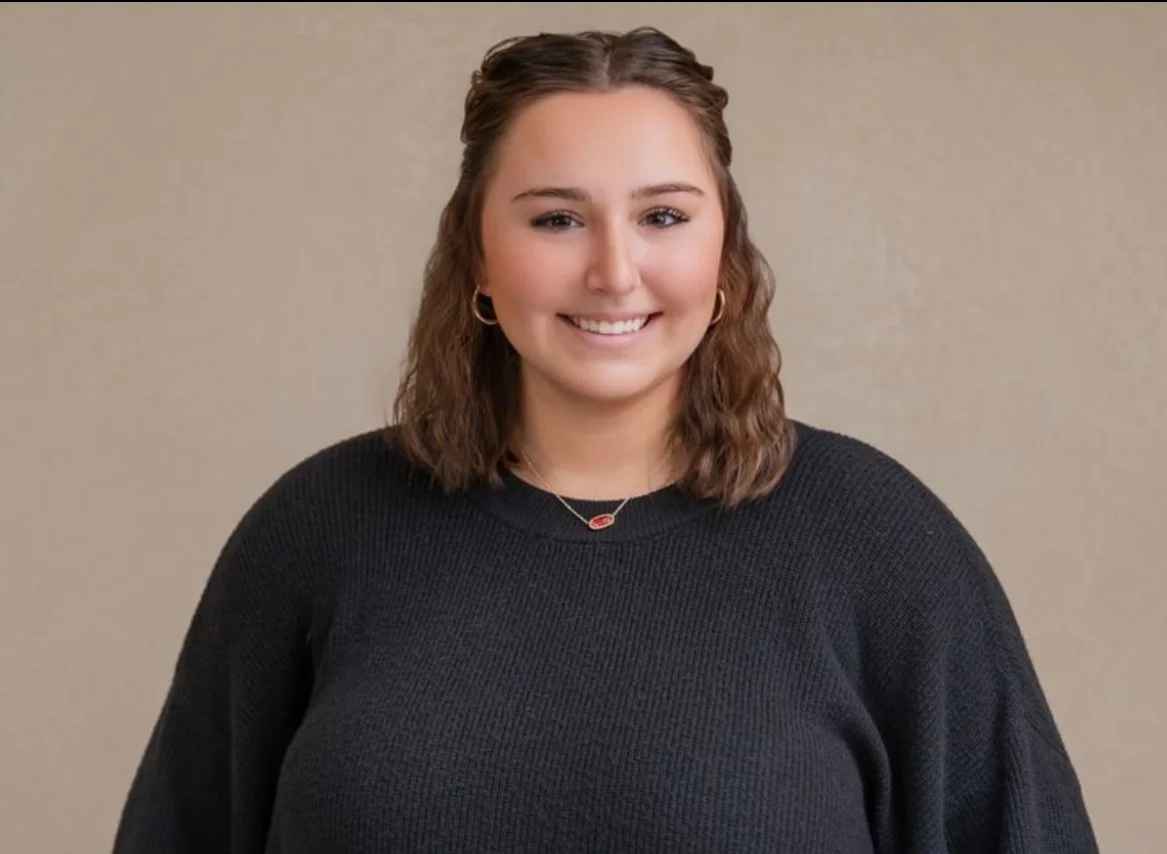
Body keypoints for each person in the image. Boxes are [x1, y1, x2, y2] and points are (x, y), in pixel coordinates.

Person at [112, 26, 1099, 854]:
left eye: (664, 214)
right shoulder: (315, 532)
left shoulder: (882, 542)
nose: (616, 271)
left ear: (723, 258)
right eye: (555, 219)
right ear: (479, 261)